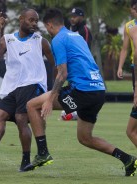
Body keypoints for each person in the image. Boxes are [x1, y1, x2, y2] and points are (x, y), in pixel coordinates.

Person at [23, 8, 137, 176]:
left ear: (49, 24)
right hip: (98, 90)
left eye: (46, 28)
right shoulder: (76, 36)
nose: (47, 31)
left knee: (32, 105)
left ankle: (42, 153)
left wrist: (49, 99)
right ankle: (128, 160)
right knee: (85, 138)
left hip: (83, 90)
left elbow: (63, 73)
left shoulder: (58, 39)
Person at [0, 9, 55, 172]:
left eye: (36, 21)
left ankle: (25, 161)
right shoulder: (8, 39)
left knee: (20, 119)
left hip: (32, 85)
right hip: (13, 88)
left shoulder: (40, 41)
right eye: (31, 20)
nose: (34, 24)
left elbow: (55, 64)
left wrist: (51, 92)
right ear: (21, 19)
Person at [60, 7, 93, 121]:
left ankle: (88, 111)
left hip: (83, 65)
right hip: (72, 65)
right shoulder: (69, 29)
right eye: (71, 16)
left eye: (75, 16)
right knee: (72, 86)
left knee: (82, 87)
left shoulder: (84, 30)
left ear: (81, 17)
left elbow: (86, 50)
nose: (72, 19)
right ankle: (74, 110)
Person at [117, 0, 137, 151]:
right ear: (131, 9)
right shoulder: (129, 26)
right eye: (135, 9)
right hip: (134, 67)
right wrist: (119, 66)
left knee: (130, 131)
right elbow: (125, 49)